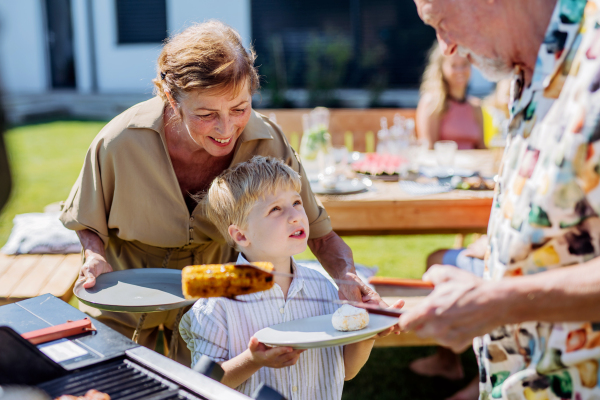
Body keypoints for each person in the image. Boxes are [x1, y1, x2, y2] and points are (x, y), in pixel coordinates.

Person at [59, 20, 377, 365]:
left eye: (240, 109)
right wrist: (95, 255)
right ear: (170, 97)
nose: (226, 130)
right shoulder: (119, 141)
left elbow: (318, 234)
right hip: (124, 292)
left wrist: (348, 278)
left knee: (201, 388)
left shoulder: (268, 143)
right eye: (207, 114)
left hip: (216, 301)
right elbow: (87, 216)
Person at [400, 0, 600, 399]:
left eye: (441, 22)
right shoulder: (525, 66)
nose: (447, 48)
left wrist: (501, 301)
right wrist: (488, 272)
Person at [179, 156, 397, 399]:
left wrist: (369, 332)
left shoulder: (323, 288)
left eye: (296, 202)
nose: (295, 216)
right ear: (241, 236)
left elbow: (345, 370)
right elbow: (203, 384)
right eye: (276, 209)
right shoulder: (216, 304)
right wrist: (253, 360)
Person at [416, 42, 485, 150]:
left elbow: (481, 148)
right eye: (453, 66)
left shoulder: (475, 106)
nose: (460, 71)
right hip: (445, 166)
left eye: (464, 64)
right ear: (441, 68)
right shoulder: (432, 103)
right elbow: (428, 149)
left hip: (475, 166)